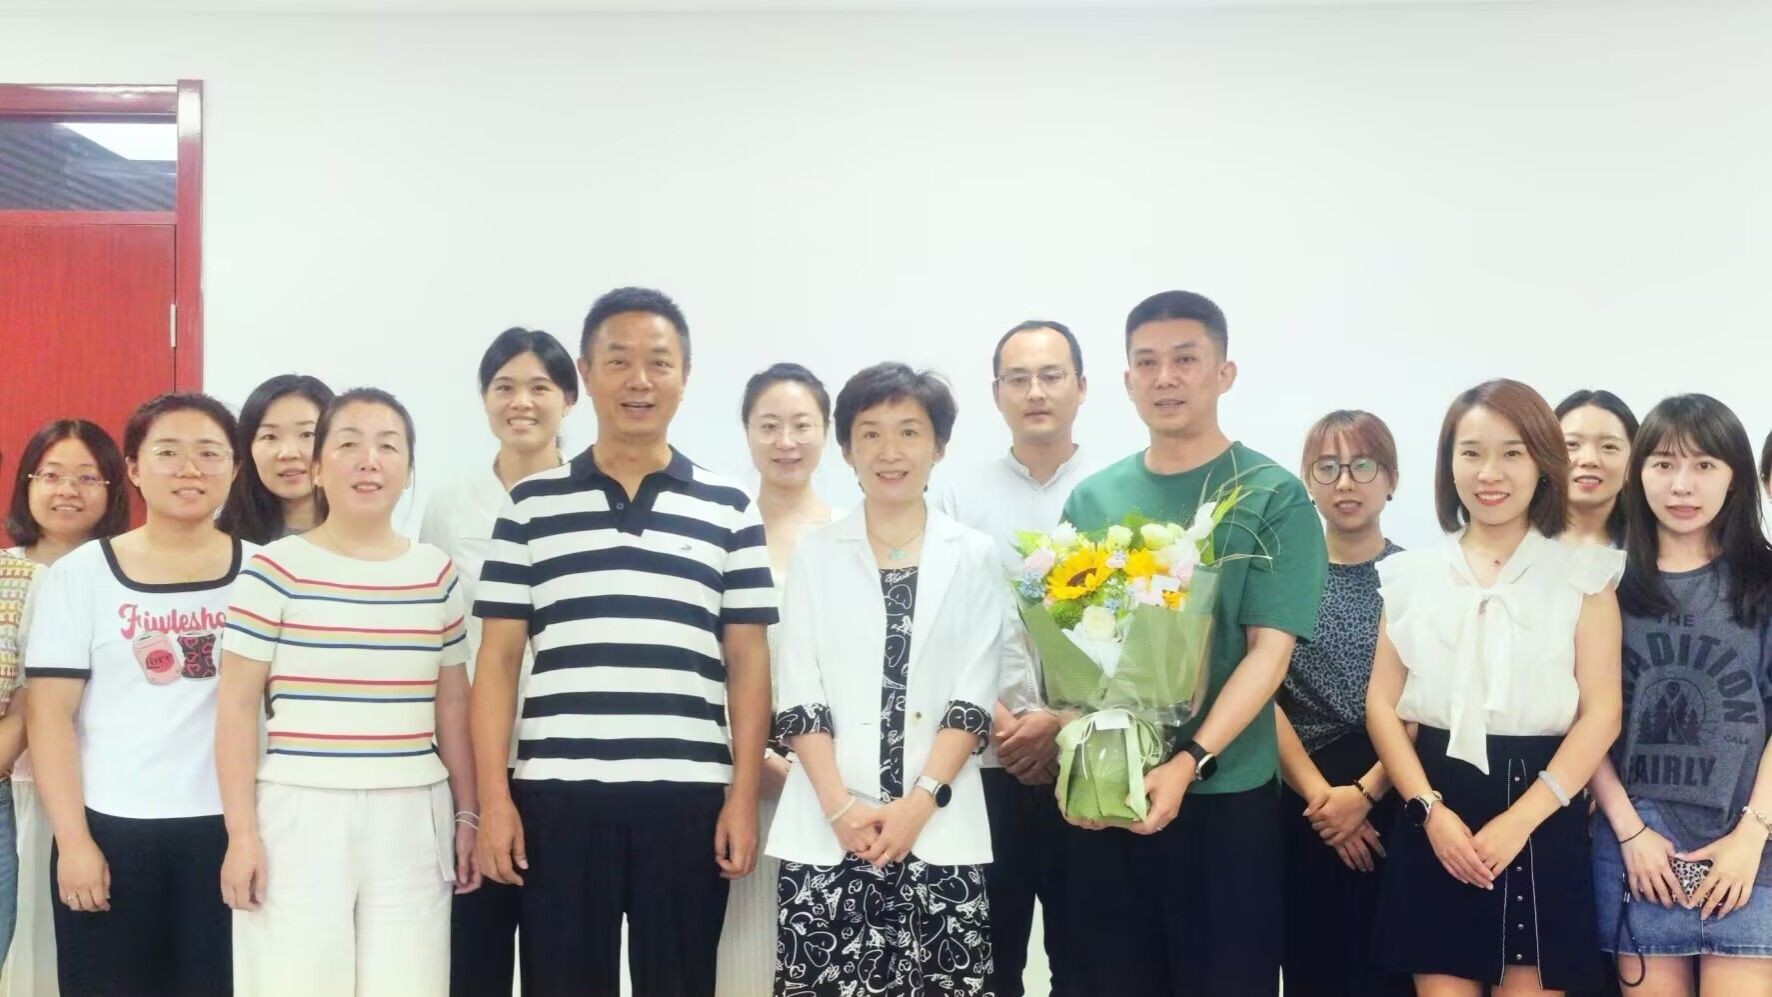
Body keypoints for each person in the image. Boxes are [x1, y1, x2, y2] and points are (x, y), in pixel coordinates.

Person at [471, 287, 775, 997]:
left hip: (689, 797)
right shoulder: (530, 507)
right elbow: (498, 662)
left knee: (680, 982)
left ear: (685, 376)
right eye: (618, 361)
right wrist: (495, 800)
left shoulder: (729, 508)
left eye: (659, 362)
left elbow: (747, 661)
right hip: (556, 798)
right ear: (585, 373)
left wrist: (740, 797)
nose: (639, 379)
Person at [1059, 290, 1328, 996]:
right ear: (1126, 380)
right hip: (1113, 790)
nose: (1165, 377)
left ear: (1223, 373)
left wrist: (1189, 760)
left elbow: (1270, 654)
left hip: (1225, 792)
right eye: (1147, 363)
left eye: (1185, 359)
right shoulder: (1092, 499)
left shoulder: (1271, 494)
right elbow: (1073, 647)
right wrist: (1079, 757)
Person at [1366, 378, 1623, 997]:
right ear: (1448, 463)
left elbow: (1602, 713)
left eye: (1512, 453)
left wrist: (1521, 821)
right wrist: (1428, 811)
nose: (1490, 472)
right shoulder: (1410, 575)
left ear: (1543, 463)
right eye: (1471, 452)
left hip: (1543, 806)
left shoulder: (1585, 576)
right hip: (1435, 806)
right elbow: (1381, 704)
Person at [217, 388, 477, 996]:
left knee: (409, 984)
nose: (369, 461)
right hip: (299, 809)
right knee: (293, 983)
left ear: (408, 470)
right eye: (349, 444)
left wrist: (468, 813)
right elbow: (235, 708)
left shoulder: (436, 574)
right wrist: (242, 834)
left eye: (389, 446)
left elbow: (453, 706)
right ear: (317, 469)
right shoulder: (273, 569)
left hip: (413, 810)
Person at [768, 362, 1007, 996]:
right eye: (869, 433)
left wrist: (918, 804)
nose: (889, 451)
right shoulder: (816, 554)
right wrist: (841, 808)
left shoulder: (974, 555)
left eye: (909, 431)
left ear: (939, 446)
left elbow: (972, 698)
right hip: (830, 827)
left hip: (937, 827)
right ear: (847, 450)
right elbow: (800, 696)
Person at [24, 393, 246, 996]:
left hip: (227, 833)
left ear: (235, 467)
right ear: (134, 468)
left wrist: (251, 837)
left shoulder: (265, 574)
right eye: (168, 452)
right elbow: (49, 716)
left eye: (209, 453)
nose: (189, 469)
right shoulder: (80, 575)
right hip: (111, 832)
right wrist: (73, 841)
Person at [1589, 394, 1772, 996]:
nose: (1682, 485)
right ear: (1638, 473)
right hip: (1640, 852)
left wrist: (1752, 836)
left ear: (1734, 477)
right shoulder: (1603, 583)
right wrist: (1629, 832)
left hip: (1750, 855)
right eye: (1664, 464)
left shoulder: (1764, 580)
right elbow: (1585, 721)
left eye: (1704, 465)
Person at [932, 319, 1094, 997]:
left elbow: (1141, 636)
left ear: (1081, 386)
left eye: (1051, 375)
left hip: (1090, 763)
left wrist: (1061, 722)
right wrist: (1002, 722)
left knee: (1090, 963)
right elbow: (936, 626)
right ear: (996, 392)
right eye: (1018, 378)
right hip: (983, 765)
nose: (1036, 392)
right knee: (986, 965)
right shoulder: (954, 497)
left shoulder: (1115, 493)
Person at [418, 328, 577, 997]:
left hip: (568, 761)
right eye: (504, 386)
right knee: (473, 952)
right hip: (478, 757)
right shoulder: (451, 503)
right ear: (484, 398)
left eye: (540, 387)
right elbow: (436, 639)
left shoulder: (594, 497)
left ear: (569, 399)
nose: (522, 402)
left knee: (563, 955)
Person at [1274, 410, 1411, 997]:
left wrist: (1368, 793)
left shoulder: (1418, 577)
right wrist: (1323, 801)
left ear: (1392, 478)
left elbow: (1428, 699)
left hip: (1399, 786)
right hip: (1304, 794)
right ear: (1309, 481)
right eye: (1327, 468)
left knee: (1392, 969)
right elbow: (1262, 696)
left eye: (1363, 466)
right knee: (1314, 963)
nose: (1346, 483)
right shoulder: (1283, 578)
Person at [1, 419, 128, 997]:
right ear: (27, 484)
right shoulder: (7, 572)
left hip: (103, 790)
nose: (67, 490)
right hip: (18, 791)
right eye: (51, 475)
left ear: (115, 487)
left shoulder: (130, 572)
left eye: (87, 477)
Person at [717, 362, 832, 997]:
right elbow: (704, 663)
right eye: (769, 426)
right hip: (738, 784)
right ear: (747, 432)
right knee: (741, 957)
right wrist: (752, 759)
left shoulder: (851, 534)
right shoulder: (721, 532)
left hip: (831, 792)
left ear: (826, 431)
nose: (786, 441)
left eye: (801, 425)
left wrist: (817, 775)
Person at [217, 375, 336, 546]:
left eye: (307, 434)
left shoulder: (366, 539)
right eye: (270, 436)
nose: (288, 453)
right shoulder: (220, 544)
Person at [1557, 390, 1640, 549]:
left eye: (1609, 447)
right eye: (1572, 444)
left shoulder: (1653, 552)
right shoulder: (1516, 541)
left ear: (1633, 462)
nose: (1589, 460)